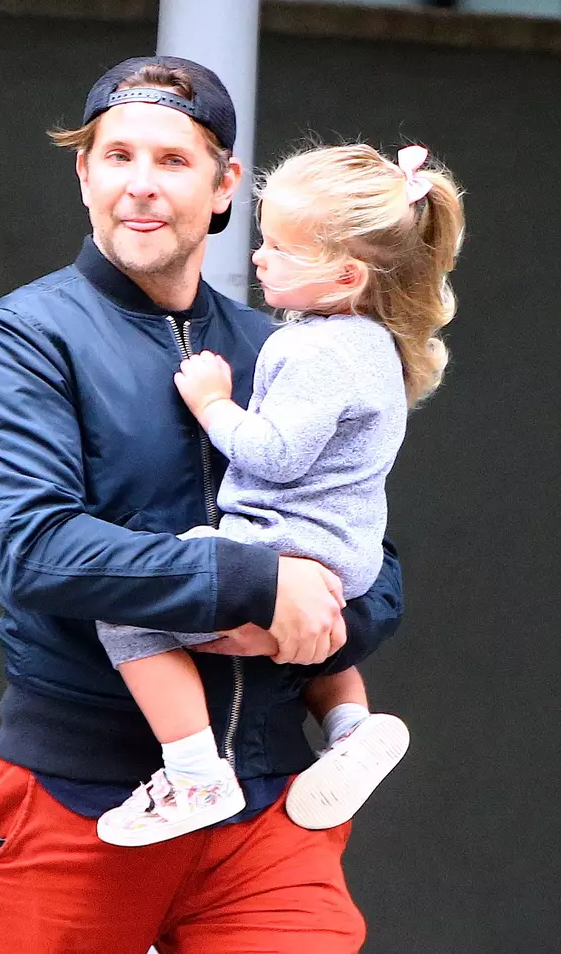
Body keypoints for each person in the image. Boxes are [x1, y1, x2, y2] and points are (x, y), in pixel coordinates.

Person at [0, 55, 404, 954]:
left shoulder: (287, 342)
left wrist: (332, 617)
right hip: (82, 801)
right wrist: (253, 579)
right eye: (117, 157)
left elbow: (370, 543)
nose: (140, 188)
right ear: (84, 175)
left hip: (272, 811)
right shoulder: (25, 339)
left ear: (225, 184)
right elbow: (35, 549)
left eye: (173, 161)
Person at [94, 142, 464, 846]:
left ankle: (194, 770)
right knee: (314, 635)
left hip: (282, 542)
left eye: (280, 249)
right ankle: (352, 729)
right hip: (346, 555)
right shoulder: (376, 344)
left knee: (129, 610)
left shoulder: (310, 348)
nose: (259, 258)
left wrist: (211, 405)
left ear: (346, 274)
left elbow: (276, 453)